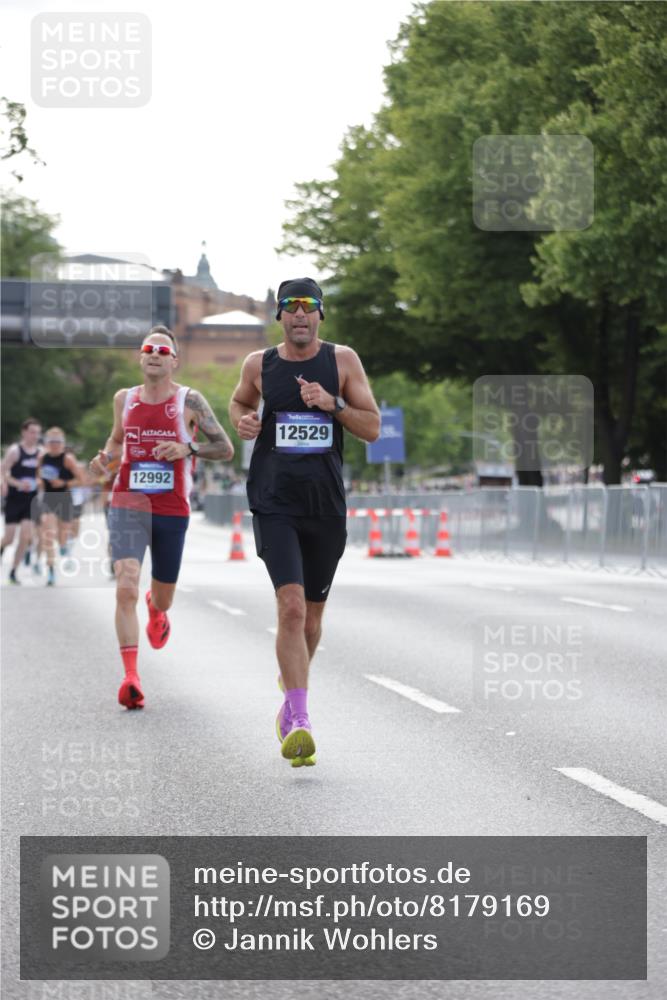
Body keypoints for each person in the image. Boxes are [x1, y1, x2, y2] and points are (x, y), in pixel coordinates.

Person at [230, 278, 380, 767]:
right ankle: (298, 718)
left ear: (320, 314)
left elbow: (373, 427)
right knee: (290, 608)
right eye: (290, 308)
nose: (299, 315)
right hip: (274, 501)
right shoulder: (260, 365)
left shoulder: (342, 361)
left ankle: (290, 691)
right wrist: (244, 421)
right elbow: (239, 403)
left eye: (308, 307)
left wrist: (331, 404)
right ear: (279, 316)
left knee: (313, 617)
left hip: (325, 505)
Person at [89, 325, 234, 711]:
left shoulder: (190, 401)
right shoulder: (125, 399)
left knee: (163, 597)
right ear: (141, 357)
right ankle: (131, 677)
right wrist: (105, 458)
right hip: (127, 502)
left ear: (174, 360)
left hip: (172, 508)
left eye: (162, 350)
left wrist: (188, 448)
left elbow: (225, 448)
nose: (154, 354)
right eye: (148, 348)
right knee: (125, 585)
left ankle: (157, 609)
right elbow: (117, 438)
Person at [38, 428, 84, 586]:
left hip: (65, 498)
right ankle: (50, 572)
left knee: (62, 535)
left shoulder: (68, 459)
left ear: (62, 443)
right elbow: (37, 476)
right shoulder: (42, 458)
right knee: (48, 534)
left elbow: (81, 480)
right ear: (46, 443)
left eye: (58, 442)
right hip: (48, 499)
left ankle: (64, 546)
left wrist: (63, 483)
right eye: (51, 441)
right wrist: (38, 483)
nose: (54, 445)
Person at [1, 418, 42, 584]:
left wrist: (39, 483)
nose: (35, 436)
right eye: (32, 432)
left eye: (37, 433)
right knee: (9, 537)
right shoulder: (15, 451)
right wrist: (15, 483)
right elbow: (3, 472)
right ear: (24, 432)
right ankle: (2, 549)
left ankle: (13, 571)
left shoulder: (41, 453)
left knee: (25, 536)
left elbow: (43, 475)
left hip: (31, 500)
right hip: (14, 498)